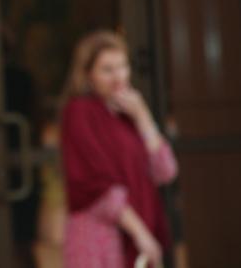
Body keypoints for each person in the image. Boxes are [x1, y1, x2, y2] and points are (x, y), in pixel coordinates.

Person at [59, 30, 177, 268]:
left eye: (123, 66)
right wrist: (140, 232)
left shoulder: (129, 115)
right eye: (107, 70)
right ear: (88, 75)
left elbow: (165, 171)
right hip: (99, 240)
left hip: (134, 237)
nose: (118, 77)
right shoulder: (80, 112)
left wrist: (143, 117)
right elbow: (96, 184)